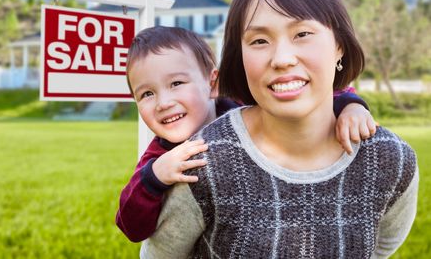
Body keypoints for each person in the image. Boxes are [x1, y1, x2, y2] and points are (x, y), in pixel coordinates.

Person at [141, 0, 418, 258]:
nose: (282, 58)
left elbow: (382, 248)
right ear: (240, 56)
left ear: (339, 44)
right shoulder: (202, 163)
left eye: (302, 34)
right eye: (259, 40)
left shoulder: (390, 160)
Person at [116, 26, 376, 243]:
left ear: (213, 84)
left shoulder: (242, 109)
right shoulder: (159, 156)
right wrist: (154, 177)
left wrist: (351, 106)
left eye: (176, 84)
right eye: (147, 94)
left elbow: (307, 97)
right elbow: (131, 227)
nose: (163, 102)